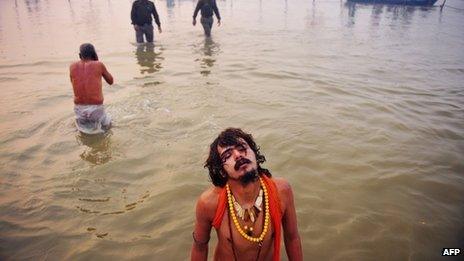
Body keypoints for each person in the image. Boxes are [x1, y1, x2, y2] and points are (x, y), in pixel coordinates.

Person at [191, 128, 303, 261]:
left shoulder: (282, 191)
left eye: (242, 147)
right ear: (221, 171)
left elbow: (292, 238)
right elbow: (200, 247)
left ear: (254, 154)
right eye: (227, 155)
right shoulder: (209, 203)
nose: (238, 155)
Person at [69, 43, 114, 134]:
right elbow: (111, 81)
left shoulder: (72, 66)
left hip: (79, 109)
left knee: (83, 132)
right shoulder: (99, 65)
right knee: (107, 128)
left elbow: (73, 83)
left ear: (80, 55)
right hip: (96, 109)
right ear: (94, 54)